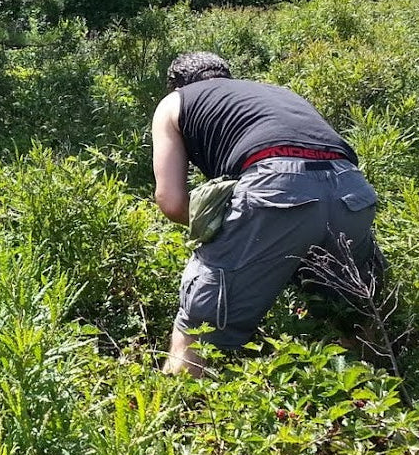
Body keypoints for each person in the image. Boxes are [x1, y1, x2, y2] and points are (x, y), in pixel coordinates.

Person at [151, 51, 379, 376]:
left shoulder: (175, 102)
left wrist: (223, 233)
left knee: (200, 318)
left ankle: (176, 404)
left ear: (175, 85)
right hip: (351, 188)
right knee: (349, 308)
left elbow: (171, 201)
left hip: (276, 186)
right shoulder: (275, 92)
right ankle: (370, 396)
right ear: (226, 76)